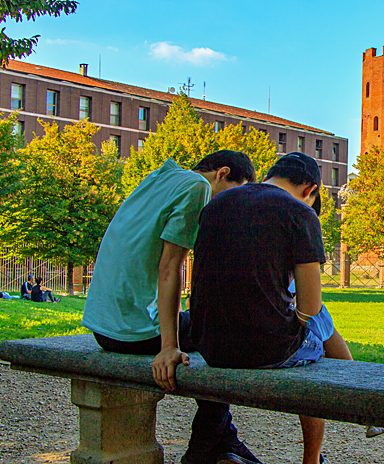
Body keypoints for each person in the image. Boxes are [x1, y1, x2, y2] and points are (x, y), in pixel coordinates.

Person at [190, 152, 378, 464]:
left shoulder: (216, 204)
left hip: (209, 345)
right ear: (310, 190)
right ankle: (314, 458)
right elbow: (311, 305)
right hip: (265, 350)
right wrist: (297, 319)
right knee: (316, 339)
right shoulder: (300, 214)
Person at [81, 151, 259, 464]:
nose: (230, 206)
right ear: (222, 173)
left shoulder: (162, 177)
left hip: (103, 324)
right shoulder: (197, 187)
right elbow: (170, 267)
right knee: (228, 337)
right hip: (131, 330)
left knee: (211, 329)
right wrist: (168, 347)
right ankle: (203, 450)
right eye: (234, 193)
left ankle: (223, 441)